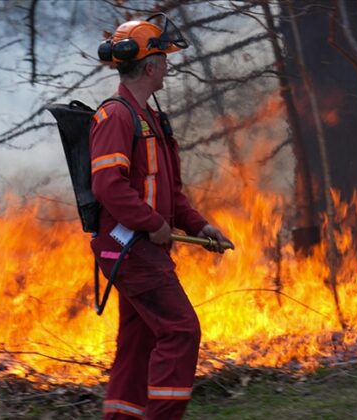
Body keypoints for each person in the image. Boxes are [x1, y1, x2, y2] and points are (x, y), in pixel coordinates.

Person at [89, 14, 234, 420]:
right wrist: (153, 226)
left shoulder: (150, 118)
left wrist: (200, 227)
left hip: (141, 250)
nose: (168, 66)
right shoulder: (116, 116)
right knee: (180, 330)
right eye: (165, 60)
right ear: (150, 66)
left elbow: (170, 194)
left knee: (138, 344)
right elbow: (108, 187)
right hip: (132, 250)